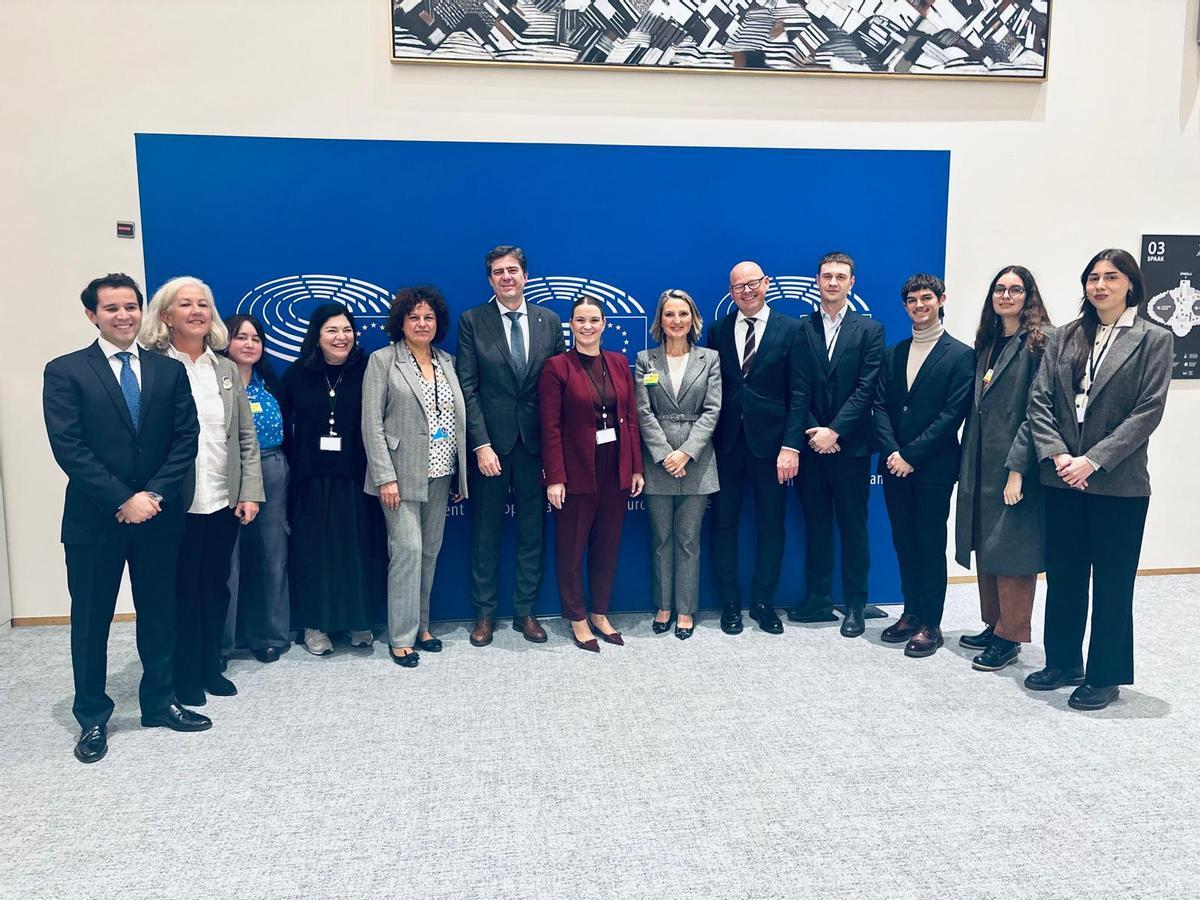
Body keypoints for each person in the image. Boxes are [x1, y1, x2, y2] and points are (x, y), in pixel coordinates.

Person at [43, 273, 209, 764]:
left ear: (143, 312)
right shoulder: (66, 371)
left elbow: (186, 438)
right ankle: (92, 716)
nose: (123, 315)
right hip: (95, 520)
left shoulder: (167, 370)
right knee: (91, 620)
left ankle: (159, 702)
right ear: (92, 315)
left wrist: (153, 494)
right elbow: (68, 448)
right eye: (111, 308)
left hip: (158, 516)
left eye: (131, 307)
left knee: (160, 613)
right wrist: (123, 498)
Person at [1024, 249, 1172, 711]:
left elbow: (1147, 412)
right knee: (1065, 575)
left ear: (1131, 284)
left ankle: (1105, 674)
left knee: (1111, 582)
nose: (1100, 285)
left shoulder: (1153, 339)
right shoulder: (1064, 335)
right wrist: (1061, 457)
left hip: (1118, 484)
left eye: (1111, 277)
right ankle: (1064, 661)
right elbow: (1039, 402)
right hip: (1062, 477)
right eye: (1092, 277)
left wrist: (1092, 461)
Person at [140, 277, 263, 706]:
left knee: (215, 586)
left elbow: (245, 437)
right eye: (186, 304)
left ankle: (211, 664)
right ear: (166, 315)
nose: (197, 311)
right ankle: (183, 672)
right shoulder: (152, 365)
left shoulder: (225, 369)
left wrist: (249, 492)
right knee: (181, 590)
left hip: (221, 499)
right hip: (175, 503)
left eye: (204, 304)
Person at [456, 246, 566, 647]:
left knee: (532, 533)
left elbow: (557, 390)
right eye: (498, 272)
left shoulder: (549, 321)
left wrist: (554, 452)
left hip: (536, 446)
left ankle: (525, 612)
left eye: (513, 270)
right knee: (485, 533)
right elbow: (467, 388)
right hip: (491, 448)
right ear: (490, 280)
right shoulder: (473, 321)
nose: (506, 277)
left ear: (525, 276)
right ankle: (484, 614)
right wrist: (481, 444)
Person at [953, 266, 1054, 672]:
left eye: (1015, 289)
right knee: (985, 544)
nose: (1006, 296)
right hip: (979, 459)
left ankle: (1011, 636)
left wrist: (1017, 470)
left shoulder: (1040, 342)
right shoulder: (989, 341)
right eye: (999, 289)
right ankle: (994, 624)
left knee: (1012, 550)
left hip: (1014, 463)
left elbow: (1038, 412)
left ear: (1029, 295)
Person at [362, 286, 468, 668]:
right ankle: (401, 636)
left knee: (428, 552)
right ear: (401, 322)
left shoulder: (447, 361)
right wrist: (384, 477)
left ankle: (423, 627)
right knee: (406, 552)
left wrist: (459, 474)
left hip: (440, 472)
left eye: (428, 317)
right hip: (400, 475)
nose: (421, 323)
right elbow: (371, 424)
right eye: (413, 317)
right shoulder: (383, 360)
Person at [873, 274, 974, 658]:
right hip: (894, 463)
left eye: (926, 298)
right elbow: (880, 406)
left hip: (933, 465)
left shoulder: (961, 354)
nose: (919, 305)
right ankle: (911, 612)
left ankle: (931, 623)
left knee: (930, 543)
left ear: (941, 300)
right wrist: (893, 452)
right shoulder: (894, 353)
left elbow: (952, 415)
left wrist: (911, 455)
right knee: (904, 541)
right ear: (905, 306)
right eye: (912, 300)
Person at [278, 302, 385, 656]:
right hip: (311, 479)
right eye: (332, 331)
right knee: (315, 553)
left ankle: (358, 620)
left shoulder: (369, 370)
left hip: (358, 477)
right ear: (317, 336)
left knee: (358, 551)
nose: (341, 337)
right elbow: (276, 426)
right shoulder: (296, 374)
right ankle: (316, 625)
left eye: (346, 330)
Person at [788, 251, 885, 638]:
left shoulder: (869, 330)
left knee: (853, 527)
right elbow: (797, 389)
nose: (832, 282)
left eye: (840, 276)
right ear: (817, 280)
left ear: (851, 283)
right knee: (815, 525)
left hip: (852, 448)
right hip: (811, 446)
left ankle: (856, 605)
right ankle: (817, 598)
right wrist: (815, 431)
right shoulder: (802, 329)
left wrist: (835, 431)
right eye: (827, 275)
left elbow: (867, 389)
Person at [708, 261, 807, 636]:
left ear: (766, 283)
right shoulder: (718, 330)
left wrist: (791, 446)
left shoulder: (792, 329)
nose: (746, 291)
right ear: (730, 292)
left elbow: (800, 393)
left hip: (773, 448)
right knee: (723, 525)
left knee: (771, 525)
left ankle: (764, 602)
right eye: (738, 287)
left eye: (752, 284)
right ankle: (730, 603)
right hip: (726, 444)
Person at [540, 297, 645, 651]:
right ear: (571, 324)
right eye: (580, 320)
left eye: (594, 320)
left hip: (615, 466)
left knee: (608, 544)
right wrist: (555, 476)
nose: (587, 326)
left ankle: (600, 612)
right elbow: (550, 427)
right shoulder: (557, 367)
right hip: (575, 471)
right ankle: (578, 617)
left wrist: (635, 467)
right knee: (571, 549)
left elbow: (629, 418)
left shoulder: (617, 363)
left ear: (604, 324)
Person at [635, 289, 722, 640]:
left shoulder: (709, 359)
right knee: (661, 540)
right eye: (669, 314)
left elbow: (713, 409)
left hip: (697, 463)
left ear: (693, 319)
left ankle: (685, 609)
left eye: (683, 314)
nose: (676, 321)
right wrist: (664, 454)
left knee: (688, 540)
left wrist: (685, 452)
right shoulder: (645, 360)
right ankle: (664, 606)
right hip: (658, 463)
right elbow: (642, 410)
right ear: (661, 320)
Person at [221, 313, 291, 664]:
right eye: (241, 338)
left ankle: (270, 635)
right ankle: (221, 642)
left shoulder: (270, 382)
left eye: (255, 338)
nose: (249, 344)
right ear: (226, 341)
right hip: (227, 474)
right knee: (225, 561)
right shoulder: (215, 380)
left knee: (271, 555)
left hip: (272, 468)